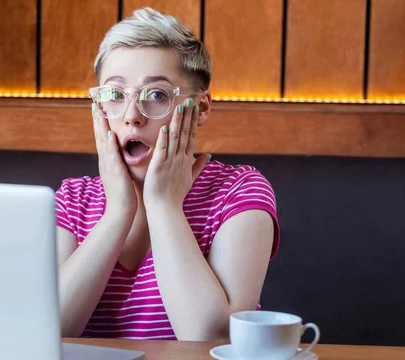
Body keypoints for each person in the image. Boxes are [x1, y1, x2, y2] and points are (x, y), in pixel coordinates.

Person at [55, 8, 279, 341]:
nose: (132, 116)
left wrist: (163, 205)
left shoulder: (239, 192)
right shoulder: (74, 199)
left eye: (157, 95)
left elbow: (211, 338)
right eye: (114, 95)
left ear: (200, 108)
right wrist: (118, 211)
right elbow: (46, 330)